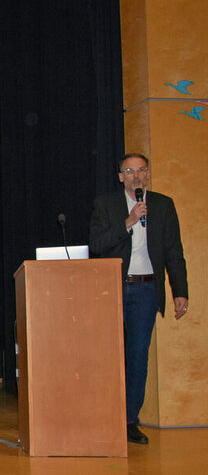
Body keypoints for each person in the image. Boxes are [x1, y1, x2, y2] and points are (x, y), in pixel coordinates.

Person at [89, 153, 189, 445]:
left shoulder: (163, 205)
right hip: (113, 287)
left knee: (137, 356)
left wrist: (180, 290)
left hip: (146, 290)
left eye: (141, 170)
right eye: (129, 171)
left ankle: (130, 420)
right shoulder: (105, 204)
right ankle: (103, 415)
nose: (135, 176)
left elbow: (174, 251)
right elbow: (96, 245)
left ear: (148, 174)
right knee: (108, 355)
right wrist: (128, 222)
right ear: (120, 176)